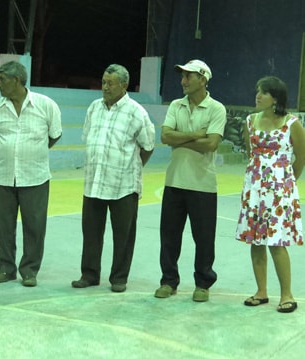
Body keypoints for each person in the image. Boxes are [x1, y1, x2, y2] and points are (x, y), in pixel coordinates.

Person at [71, 63, 155, 293]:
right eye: (103, 82)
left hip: (124, 185)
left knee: (124, 236)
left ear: (124, 85)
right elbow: (89, 138)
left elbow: (148, 146)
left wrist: (131, 167)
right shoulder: (94, 108)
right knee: (91, 232)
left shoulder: (136, 112)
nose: (105, 87)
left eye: (110, 83)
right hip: (94, 181)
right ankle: (89, 274)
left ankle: (119, 278)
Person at [154, 59, 226, 302]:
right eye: (182, 76)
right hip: (174, 182)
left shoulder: (216, 109)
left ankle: (203, 283)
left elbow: (212, 143)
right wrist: (196, 135)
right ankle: (168, 281)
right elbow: (165, 136)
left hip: (203, 184)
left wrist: (180, 138)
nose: (183, 81)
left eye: (189, 76)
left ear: (203, 80)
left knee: (204, 238)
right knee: (169, 236)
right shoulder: (176, 104)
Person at [0, 60, 62, 287]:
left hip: (35, 176)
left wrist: (33, 153)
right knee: (4, 227)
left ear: (17, 80)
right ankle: (6, 269)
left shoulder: (46, 105)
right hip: (4, 176)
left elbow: (55, 134)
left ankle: (29, 271)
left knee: (34, 226)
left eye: (2, 79)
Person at [236, 76, 305, 313]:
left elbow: (301, 158)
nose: (258, 95)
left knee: (277, 242)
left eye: (263, 92)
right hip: (254, 189)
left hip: (280, 192)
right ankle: (261, 291)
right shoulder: (249, 121)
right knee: (256, 241)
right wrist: (257, 182)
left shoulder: (291, 123)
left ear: (275, 98)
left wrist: (286, 184)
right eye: (257, 91)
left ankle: (287, 294)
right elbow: (250, 153)